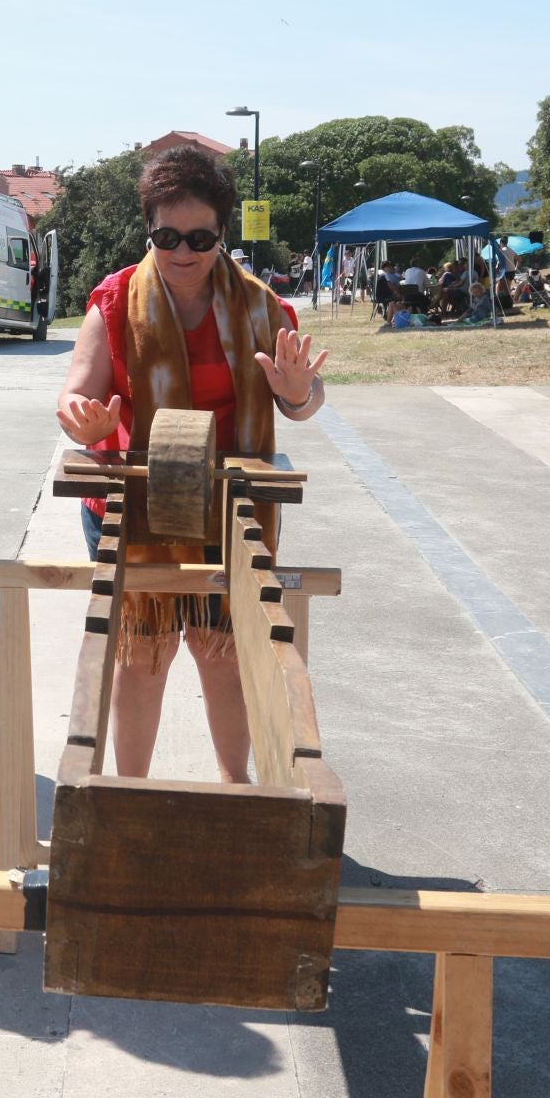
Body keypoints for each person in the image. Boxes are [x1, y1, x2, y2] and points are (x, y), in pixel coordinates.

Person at [55, 146, 327, 782]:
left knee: (224, 653)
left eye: (200, 237)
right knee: (141, 656)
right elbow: (76, 395)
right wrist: (85, 421)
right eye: (167, 236)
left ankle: (235, 788)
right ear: (148, 229)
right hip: (133, 507)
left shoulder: (262, 306)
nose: (183, 251)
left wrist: (296, 393)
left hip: (231, 509)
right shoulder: (114, 301)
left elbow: (305, 399)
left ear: (222, 233)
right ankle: (130, 794)